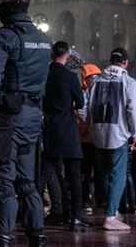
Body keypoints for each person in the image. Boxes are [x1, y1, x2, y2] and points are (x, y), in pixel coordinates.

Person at [0, 0, 52, 247]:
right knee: (28, 182)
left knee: (3, 182)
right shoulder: (43, 40)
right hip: (32, 118)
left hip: (5, 120)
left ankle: (3, 239)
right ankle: (37, 237)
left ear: (5, 5)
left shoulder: (3, 37)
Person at [85, 47, 136, 231]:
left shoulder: (95, 81)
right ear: (125, 62)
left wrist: (89, 124)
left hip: (97, 133)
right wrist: (135, 132)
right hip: (119, 134)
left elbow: (83, 106)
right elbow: (133, 110)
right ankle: (110, 215)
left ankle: (111, 209)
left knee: (102, 173)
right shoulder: (129, 82)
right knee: (118, 175)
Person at [41, 41, 87, 232]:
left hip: (50, 131)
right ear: (67, 55)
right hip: (68, 130)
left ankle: (34, 213)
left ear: (52, 55)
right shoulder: (70, 77)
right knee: (74, 177)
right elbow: (81, 103)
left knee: (43, 175)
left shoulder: (44, 75)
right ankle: (75, 218)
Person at [77, 63, 101, 211]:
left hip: (98, 138)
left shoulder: (102, 92)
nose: (93, 81)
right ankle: (86, 199)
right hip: (84, 140)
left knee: (99, 172)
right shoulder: (80, 94)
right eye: (90, 78)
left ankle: (100, 199)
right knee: (85, 173)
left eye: (96, 77)